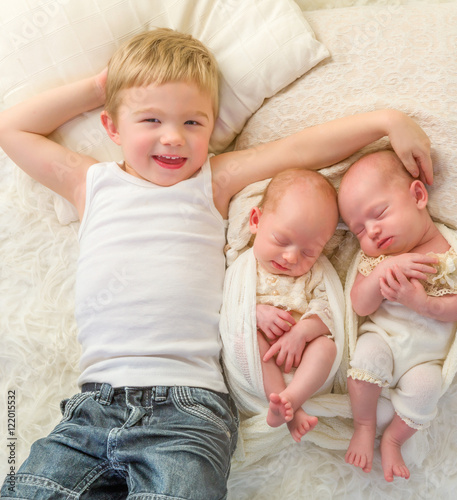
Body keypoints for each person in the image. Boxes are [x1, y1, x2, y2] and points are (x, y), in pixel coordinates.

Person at [0, 25, 432, 499]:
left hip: (188, 408)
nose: (173, 139)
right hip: (91, 407)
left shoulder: (211, 181)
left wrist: (385, 122)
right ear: (111, 127)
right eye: (150, 121)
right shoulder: (92, 184)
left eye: (193, 123)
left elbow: (298, 150)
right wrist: (100, 87)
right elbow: (11, 128)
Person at [338, 150, 457, 483]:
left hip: (425, 359)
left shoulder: (452, 254)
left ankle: (393, 438)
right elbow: (359, 304)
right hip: (385, 341)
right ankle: (364, 425)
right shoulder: (379, 261)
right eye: (359, 231)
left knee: (427, 389)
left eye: (378, 214)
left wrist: (424, 304)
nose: (373, 232)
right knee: (366, 357)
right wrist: (385, 270)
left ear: (419, 196)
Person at [244, 169, 339, 443]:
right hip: (262, 358)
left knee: (327, 347)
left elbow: (330, 310)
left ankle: (292, 398)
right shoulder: (242, 267)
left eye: (309, 252)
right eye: (281, 241)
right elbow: (227, 307)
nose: (290, 257)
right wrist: (255, 314)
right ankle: (284, 407)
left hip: (303, 356)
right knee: (248, 337)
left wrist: (302, 333)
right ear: (256, 220)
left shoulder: (314, 274)